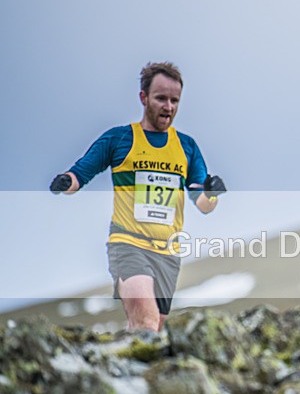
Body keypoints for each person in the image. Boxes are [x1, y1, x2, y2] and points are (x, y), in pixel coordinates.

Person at [49, 61, 226, 333]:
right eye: (161, 99)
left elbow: (202, 203)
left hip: (167, 252)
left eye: (174, 100)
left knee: (154, 328)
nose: (168, 107)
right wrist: (65, 182)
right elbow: (80, 174)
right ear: (143, 98)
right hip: (127, 243)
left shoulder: (186, 147)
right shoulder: (119, 139)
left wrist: (212, 193)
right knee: (145, 322)